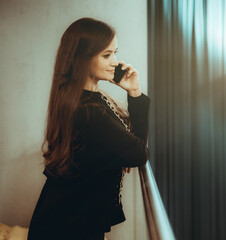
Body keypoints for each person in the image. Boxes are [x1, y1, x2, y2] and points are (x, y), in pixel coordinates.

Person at [27, 17, 150, 240]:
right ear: (81, 58)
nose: (115, 61)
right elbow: (138, 153)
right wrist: (135, 94)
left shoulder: (88, 99)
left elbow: (129, 145)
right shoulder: (88, 110)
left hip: (70, 220)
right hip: (67, 227)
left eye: (115, 52)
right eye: (106, 55)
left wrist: (133, 93)